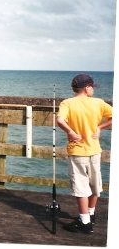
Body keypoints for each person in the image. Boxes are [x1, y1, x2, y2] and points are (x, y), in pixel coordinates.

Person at [56, 73, 112, 234]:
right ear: (87, 88)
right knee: (95, 185)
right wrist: (100, 127)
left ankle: (85, 222)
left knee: (81, 187)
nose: (93, 89)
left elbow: (60, 120)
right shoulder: (98, 103)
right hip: (94, 150)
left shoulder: (67, 103)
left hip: (77, 151)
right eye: (92, 86)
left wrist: (71, 132)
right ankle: (91, 213)